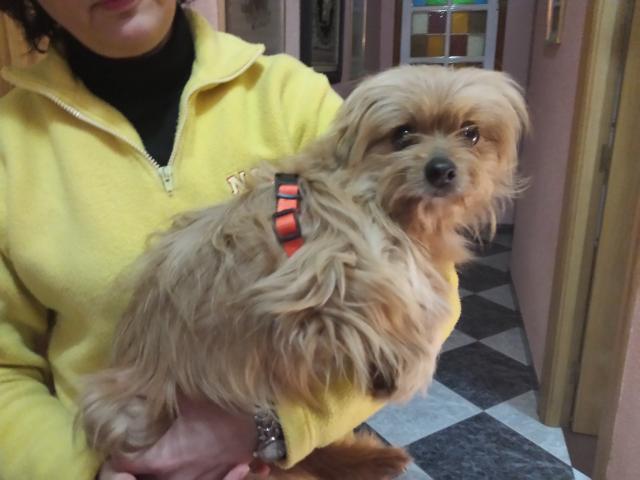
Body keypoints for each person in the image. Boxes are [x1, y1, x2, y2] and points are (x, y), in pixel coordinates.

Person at [0, 1, 462, 479]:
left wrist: (269, 427)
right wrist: (83, 472)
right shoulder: (9, 145)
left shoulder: (292, 97)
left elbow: (427, 296)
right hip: (116, 446)